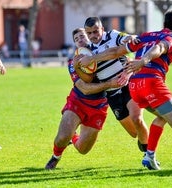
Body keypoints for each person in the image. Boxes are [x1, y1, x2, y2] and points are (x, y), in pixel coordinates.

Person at [80, 9, 172, 174]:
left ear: (163, 24)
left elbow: (115, 51)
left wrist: (92, 58)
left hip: (135, 86)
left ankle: (149, 155)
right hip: (151, 83)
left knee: (162, 116)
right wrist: (144, 60)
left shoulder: (147, 35)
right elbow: (160, 47)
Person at [44, 28, 123, 170]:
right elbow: (84, 88)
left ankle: (73, 137)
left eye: (82, 36)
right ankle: (56, 157)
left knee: (83, 149)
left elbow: (123, 58)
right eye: (76, 39)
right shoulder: (73, 63)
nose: (79, 39)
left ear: (91, 37)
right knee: (62, 137)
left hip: (99, 106)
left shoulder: (104, 54)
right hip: (78, 101)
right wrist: (109, 84)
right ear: (75, 45)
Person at [83, 17, 149, 152]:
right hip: (112, 94)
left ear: (102, 29)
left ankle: (149, 154)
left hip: (128, 84)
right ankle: (145, 144)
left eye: (96, 32)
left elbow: (127, 38)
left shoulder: (112, 36)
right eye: (89, 33)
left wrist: (129, 38)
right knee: (134, 132)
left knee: (137, 119)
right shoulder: (86, 52)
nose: (93, 36)